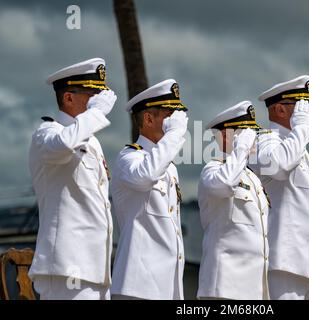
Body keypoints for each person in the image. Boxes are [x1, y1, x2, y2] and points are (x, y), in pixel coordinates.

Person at [28, 58, 117, 300]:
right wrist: (96, 113)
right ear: (68, 98)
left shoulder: (91, 141)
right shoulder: (47, 133)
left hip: (97, 270)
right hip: (66, 268)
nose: (99, 102)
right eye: (92, 95)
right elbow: (63, 145)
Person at [110, 79, 188, 300]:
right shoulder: (129, 158)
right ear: (148, 118)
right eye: (168, 116)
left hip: (166, 286)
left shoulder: (168, 166)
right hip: (138, 285)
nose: (174, 123)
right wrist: (174, 135)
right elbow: (146, 176)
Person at [250, 75, 309, 300]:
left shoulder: (299, 150)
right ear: (280, 110)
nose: (306, 113)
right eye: (301, 107)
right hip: (283, 260)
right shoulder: (264, 141)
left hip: (308, 263)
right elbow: (278, 166)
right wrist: (301, 129)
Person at [197, 101, 270, 300]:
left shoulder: (253, 178)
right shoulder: (213, 170)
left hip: (252, 289)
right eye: (246, 133)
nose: (253, 139)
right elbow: (225, 183)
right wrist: (241, 149)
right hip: (224, 285)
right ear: (224, 136)